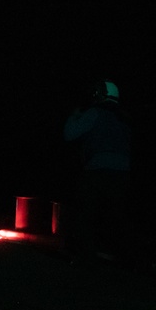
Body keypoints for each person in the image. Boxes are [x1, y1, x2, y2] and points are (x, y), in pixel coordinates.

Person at [62, 79, 131, 262]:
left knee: (85, 211)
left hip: (98, 168)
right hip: (123, 171)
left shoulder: (95, 112)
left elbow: (70, 134)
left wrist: (73, 116)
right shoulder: (124, 117)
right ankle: (119, 254)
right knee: (115, 213)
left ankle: (85, 254)